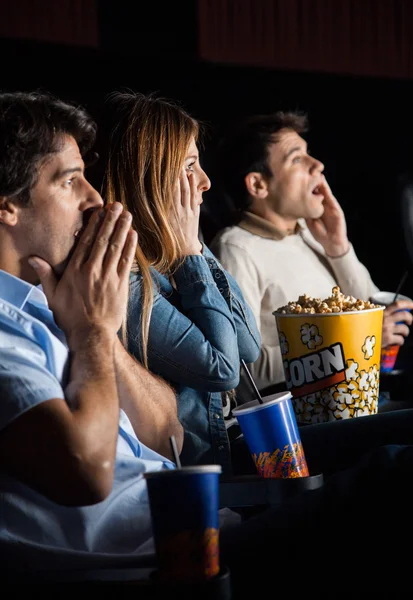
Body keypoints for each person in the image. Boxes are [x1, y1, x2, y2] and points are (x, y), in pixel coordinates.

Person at [0, 91, 183, 571]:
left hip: (191, 529)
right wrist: (95, 333)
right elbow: (89, 471)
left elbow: (170, 436)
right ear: (6, 206)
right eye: (70, 180)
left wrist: (97, 329)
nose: (95, 199)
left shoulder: (60, 302)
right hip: (150, 566)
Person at [103, 92, 261, 474]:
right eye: (190, 166)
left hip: (231, 446)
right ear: (147, 178)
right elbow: (223, 369)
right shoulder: (125, 278)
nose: (205, 182)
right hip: (197, 478)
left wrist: (195, 250)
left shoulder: (182, 249)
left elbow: (248, 347)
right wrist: (191, 255)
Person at [210, 111, 413, 402]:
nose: (317, 165)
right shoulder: (236, 248)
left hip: (360, 396)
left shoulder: (309, 232)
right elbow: (245, 372)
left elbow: (371, 308)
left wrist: (338, 247)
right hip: (311, 420)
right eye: (296, 159)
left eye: (309, 155)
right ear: (258, 185)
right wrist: (356, 340)